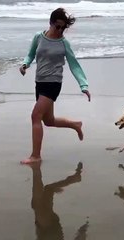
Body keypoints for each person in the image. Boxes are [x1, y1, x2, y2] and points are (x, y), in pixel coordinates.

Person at [19, 8, 91, 164]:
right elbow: (31, 54)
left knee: (35, 116)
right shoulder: (39, 37)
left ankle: (36, 156)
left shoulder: (64, 43)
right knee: (48, 120)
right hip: (40, 82)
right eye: (57, 26)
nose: (60, 30)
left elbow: (74, 65)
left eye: (63, 28)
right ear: (50, 23)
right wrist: (25, 64)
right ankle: (75, 124)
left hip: (53, 83)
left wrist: (83, 85)